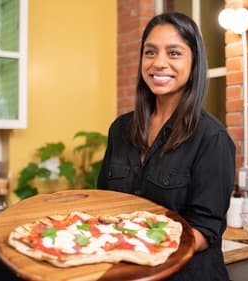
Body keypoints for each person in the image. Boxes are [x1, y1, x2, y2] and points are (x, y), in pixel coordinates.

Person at [97, 12, 236, 280]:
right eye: (150, 53)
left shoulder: (212, 138)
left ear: (194, 62)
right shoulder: (120, 129)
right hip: (124, 271)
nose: (158, 63)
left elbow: (205, 231)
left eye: (174, 53)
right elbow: (105, 205)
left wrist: (140, 248)